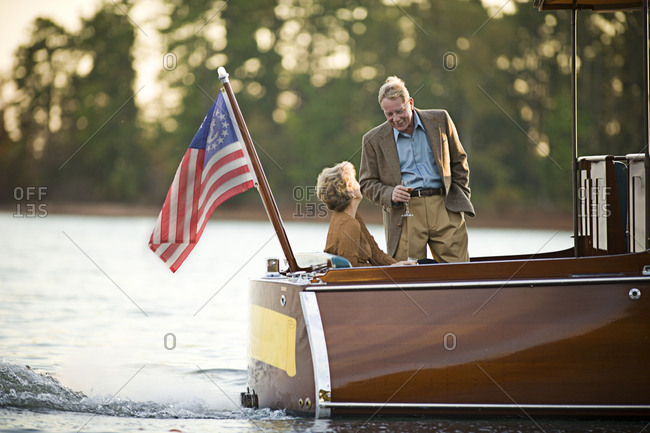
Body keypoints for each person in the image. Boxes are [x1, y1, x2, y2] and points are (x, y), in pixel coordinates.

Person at [359, 76, 475, 263]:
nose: (396, 119)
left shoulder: (440, 119)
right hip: (404, 214)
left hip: (445, 208)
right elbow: (366, 183)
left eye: (399, 111)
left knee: (459, 272)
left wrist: (459, 197)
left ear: (410, 103)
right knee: (408, 277)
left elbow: (459, 160)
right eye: (389, 114)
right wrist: (390, 193)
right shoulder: (372, 140)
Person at [316, 161, 412, 267]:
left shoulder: (353, 217)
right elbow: (349, 271)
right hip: (360, 280)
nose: (359, 184)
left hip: (370, 276)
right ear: (349, 190)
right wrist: (388, 271)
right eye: (355, 180)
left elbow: (375, 254)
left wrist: (396, 265)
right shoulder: (348, 224)